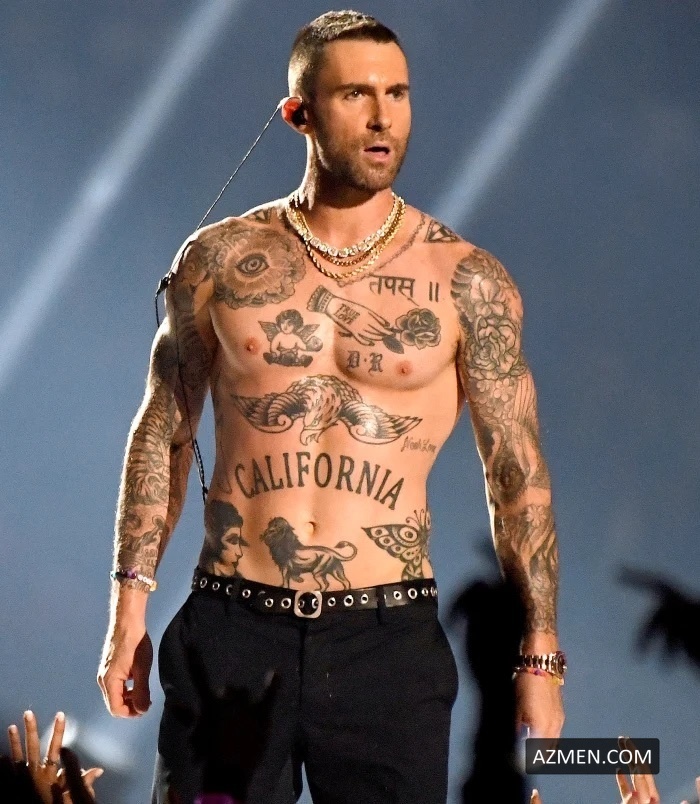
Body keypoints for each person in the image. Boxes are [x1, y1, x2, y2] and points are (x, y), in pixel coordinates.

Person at [96, 10, 564, 803]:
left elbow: (516, 472)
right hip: (233, 629)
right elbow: (164, 430)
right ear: (299, 114)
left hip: (387, 644)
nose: (383, 117)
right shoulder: (217, 260)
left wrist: (541, 654)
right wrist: (127, 608)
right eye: (356, 95)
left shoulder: (467, 281)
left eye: (398, 94)